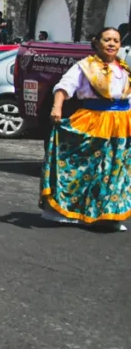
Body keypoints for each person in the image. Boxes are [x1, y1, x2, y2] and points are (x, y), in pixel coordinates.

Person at [41, 27, 131, 229]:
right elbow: (64, 86)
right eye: (107, 40)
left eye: (115, 41)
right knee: (86, 168)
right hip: (93, 121)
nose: (111, 44)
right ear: (96, 42)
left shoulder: (124, 68)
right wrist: (57, 107)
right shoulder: (85, 66)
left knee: (115, 169)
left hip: (121, 125)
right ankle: (67, 210)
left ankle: (109, 214)